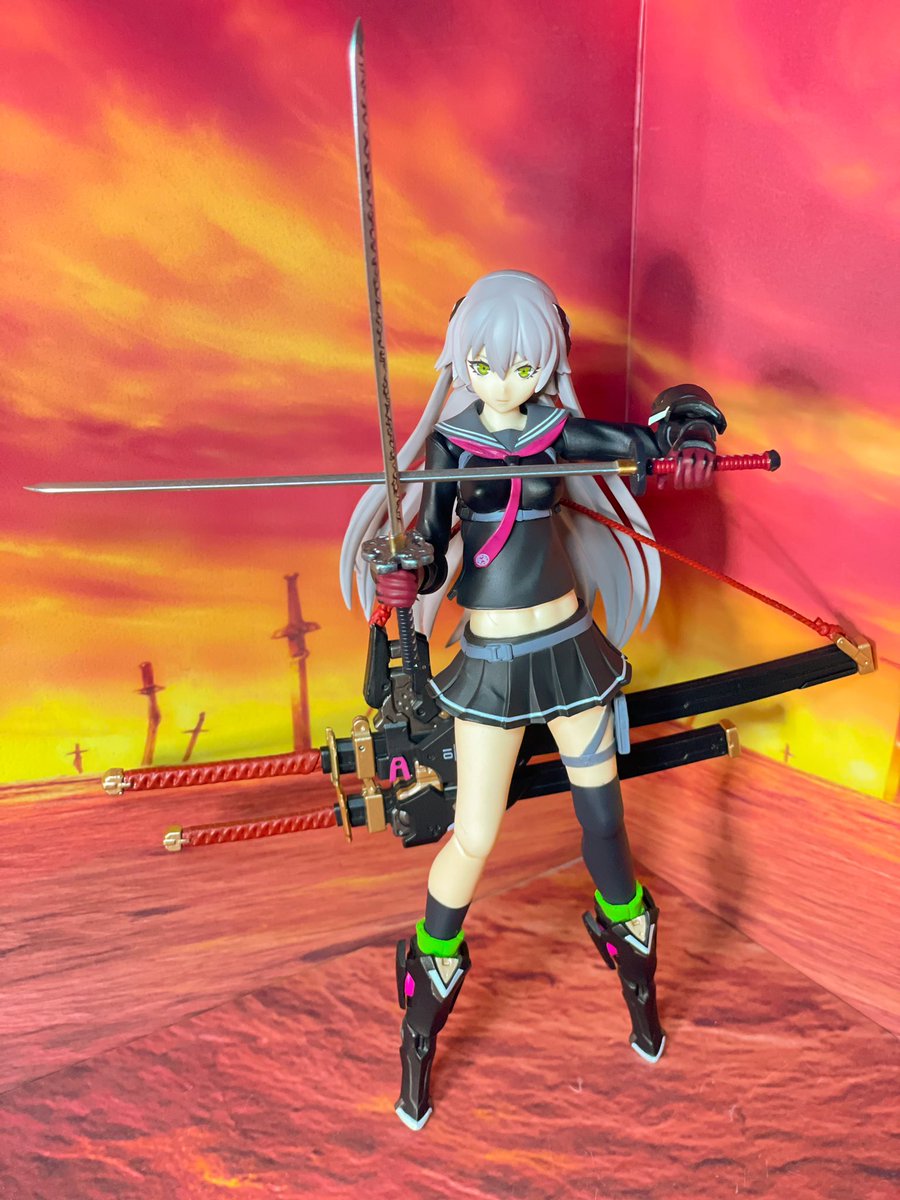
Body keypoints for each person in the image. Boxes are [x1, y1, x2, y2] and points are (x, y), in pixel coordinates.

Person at [340, 270, 725, 1129]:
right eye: (485, 365)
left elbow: (660, 432)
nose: (504, 383)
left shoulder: (559, 431)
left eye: (522, 366)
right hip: (491, 663)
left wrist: (693, 433)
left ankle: (634, 964)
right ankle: (423, 1005)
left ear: (548, 361)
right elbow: (429, 548)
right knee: (474, 835)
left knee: (604, 821)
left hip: (569, 652)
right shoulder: (451, 447)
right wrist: (405, 577)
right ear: (461, 360)